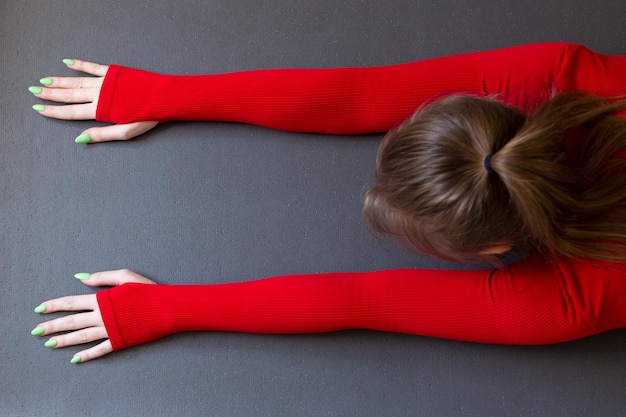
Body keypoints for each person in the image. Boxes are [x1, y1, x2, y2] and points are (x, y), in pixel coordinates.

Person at [29, 42, 626, 364]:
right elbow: (359, 96)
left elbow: (363, 301)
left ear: (497, 246)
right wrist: (168, 95)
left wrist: (170, 309)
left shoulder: (569, 75)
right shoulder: (573, 81)